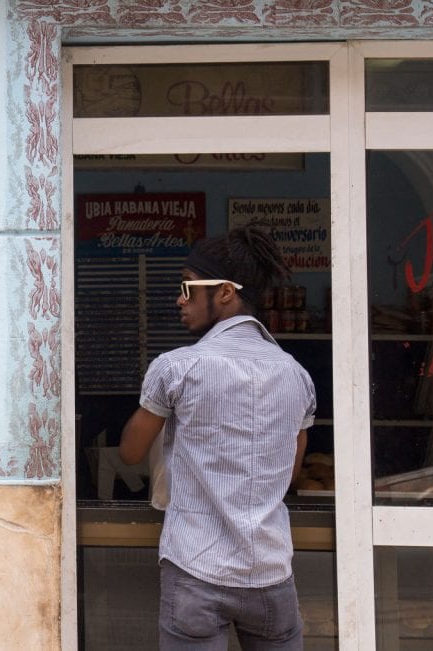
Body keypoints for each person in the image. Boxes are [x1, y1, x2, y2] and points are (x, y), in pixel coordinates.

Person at [119, 226, 316, 650]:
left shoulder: (177, 368)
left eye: (188, 288)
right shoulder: (297, 376)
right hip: (270, 575)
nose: (179, 299)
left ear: (225, 292)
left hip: (196, 570)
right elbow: (291, 471)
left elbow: (131, 453)